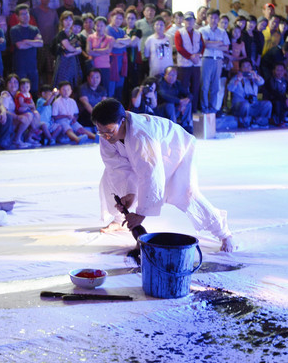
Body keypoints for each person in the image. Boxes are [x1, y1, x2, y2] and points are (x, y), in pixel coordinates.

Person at [92, 98, 234, 252]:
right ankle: (120, 219)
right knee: (112, 179)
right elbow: (117, 167)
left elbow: (151, 174)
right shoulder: (107, 134)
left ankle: (224, 234)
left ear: (123, 121)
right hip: (143, 158)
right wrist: (130, 193)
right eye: (101, 132)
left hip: (175, 152)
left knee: (187, 193)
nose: (106, 137)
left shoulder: (142, 135)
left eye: (110, 132)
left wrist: (141, 214)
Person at [200, 8, 230, 113]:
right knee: (205, 85)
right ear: (207, 18)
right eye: (211, 17)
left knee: (216, 86)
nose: (213, 19)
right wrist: (218, 43)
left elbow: (226, 47)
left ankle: (213, 108)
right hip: (206, 59)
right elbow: (205, 44)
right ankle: (204, 107)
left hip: (218, 60)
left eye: (215, 17)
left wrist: (211, 43)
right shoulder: (202, 30)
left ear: (218, 19)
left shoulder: (222, 32)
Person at [227, 59, 271, 128]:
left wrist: (256, 77)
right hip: (240, 106)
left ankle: (258, 121)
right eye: (244, 66)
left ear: (251, 67)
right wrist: (238, 80)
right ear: (240, 68)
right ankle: (244, 122)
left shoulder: (254, 77)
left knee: (267, 104)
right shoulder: (236, 78)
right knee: (245, 104)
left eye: (248, 66)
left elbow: (262, 82)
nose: (246, 68)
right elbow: (230, 88)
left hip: (253, 104)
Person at [10, 4, 43, 94]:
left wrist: (26, 41)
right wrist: (33, 42)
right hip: (20, 66)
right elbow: (20, 46)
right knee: (20, 92)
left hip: (33, 66)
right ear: (17, 16)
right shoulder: (14, 29)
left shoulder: (35, 29)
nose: (25, 16)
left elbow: (40, 43)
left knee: (34, 91)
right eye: (22, 14)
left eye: (27, 13)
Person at [174, 11, 203, 113]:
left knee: (195, 87)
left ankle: (194, 110)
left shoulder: (198, 33)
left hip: (196, 64)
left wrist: (199, 55)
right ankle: (183, 111)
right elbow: (179, 48)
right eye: (186, 20)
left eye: (191, 20)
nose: (189, 22)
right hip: (184, 65)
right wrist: (190, 57)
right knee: (184, 87)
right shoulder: (179, 32)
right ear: (183, 21)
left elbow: (202, 46)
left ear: (194, 21)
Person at [32, 0, 59, 86]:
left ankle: (50, 90)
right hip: (38, 45)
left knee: (50, 70)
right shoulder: (34, 11)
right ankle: (39, 91)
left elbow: (57, 27)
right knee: (38, 69)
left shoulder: (53, 12)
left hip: (51, 45)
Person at [51, 10, 83, 89]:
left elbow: (79, 49)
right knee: (62, 81)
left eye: (70, 20)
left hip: (72, 60)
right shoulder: (61, 34)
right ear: (62, 21)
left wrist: (72, 53)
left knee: (72, 82)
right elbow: (69, 47)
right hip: (63, 61)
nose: (68, 22)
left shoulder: (73, 34)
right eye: (66, 20)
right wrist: (75, 51)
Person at [157, 66, 193, 133]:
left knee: (188, 104)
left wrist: (187, 100)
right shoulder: (160, 83)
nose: (172, 77)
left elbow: (189, 94)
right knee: (169, 105)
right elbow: (164, 96)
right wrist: (179, 101)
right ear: (165, 75)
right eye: (170, 74)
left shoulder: (177, 83)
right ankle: (174, 128)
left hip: (175, 108)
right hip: (162, 110)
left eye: (174, 75)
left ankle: (185, 126)